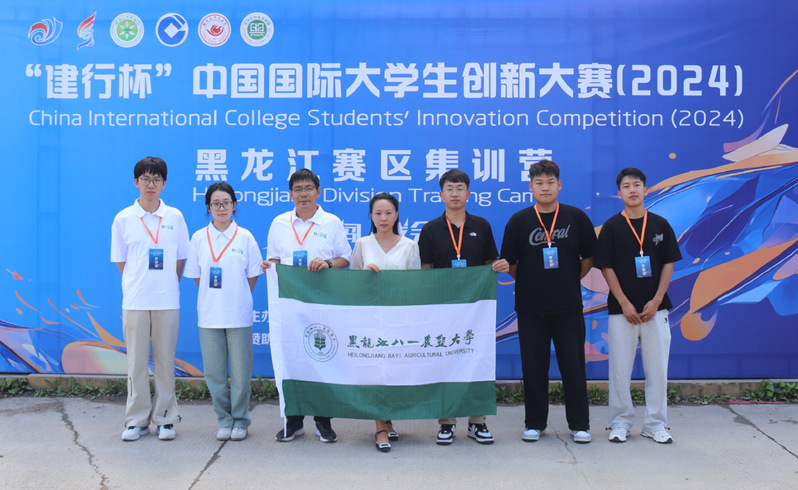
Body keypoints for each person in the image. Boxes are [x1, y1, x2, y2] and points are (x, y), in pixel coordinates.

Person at [500, 159, 596, 444]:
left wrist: (569, 278)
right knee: (533, 367)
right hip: (530, 308)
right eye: (539, 183)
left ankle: (579, 424)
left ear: (559, 185)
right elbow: (510, 263)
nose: (545, 187)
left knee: (573, 367)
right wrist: (531, 280)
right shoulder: (519, 220)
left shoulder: (576, 217)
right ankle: (534, 423)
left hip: (568, 306)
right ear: (530, 186)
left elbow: (589, 257)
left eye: (550, 182)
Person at [417, 169, 509, 446]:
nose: (454, 193)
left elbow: (489, 263)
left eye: (459, 188)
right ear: (441, 194)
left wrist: (498, 265)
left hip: (475, 309)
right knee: (445, 361)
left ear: (468, 194)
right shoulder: (430, 229)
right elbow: (424, 269)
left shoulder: (481, 225)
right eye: (449, 188)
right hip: (443, 309)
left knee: (476, 360)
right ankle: (446, 423)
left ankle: (477, 421)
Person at [262, 168, 352, 443]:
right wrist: (269, 266)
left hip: (321, 305)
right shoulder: (279, 223)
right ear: (290, 194)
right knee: (292, 360)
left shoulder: (331, 222)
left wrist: (327, 263)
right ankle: (293, 420)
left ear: (318, 192)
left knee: (322, 359)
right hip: (289, 307)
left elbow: (346, 258)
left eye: (308, 188)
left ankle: (323, 421)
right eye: (298, 189)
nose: (303, 194)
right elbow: (274, 259)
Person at [594, 167, 682, 444]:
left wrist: (657, 300)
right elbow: (606, 267)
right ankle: (620, 422)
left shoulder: (660, 225)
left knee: (657, 370)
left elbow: (668, 263)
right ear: (619, 193)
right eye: (626, 186)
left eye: (636, 185)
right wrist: (623, 302)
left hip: (656, 310)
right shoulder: (611, 227)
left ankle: (656, 424)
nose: (632, 190)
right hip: (622, 311)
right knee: (620, 371)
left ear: (646, 189)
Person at [110, 156, 189, 441]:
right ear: (136, 182)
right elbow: (121, 261)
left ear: (164, 184)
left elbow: (180, 259)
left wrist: (165, 283)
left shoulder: (175, 217)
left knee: (165, 361)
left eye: (156, 179)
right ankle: (136, 420)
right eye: (145, 179)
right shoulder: (123, 218)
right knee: (136, 362)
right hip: (135, 301)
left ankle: (166, 418)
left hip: (167, 300)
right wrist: (139, 284)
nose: (151, 184)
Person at [184, 183, 262, 442]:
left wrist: (234, 295)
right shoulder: (198, 238)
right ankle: (224, 420)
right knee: (214, 374)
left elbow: (252, 276)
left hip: (239, 315)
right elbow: (197, 276)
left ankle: (240, 420)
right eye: (216, 203)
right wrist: (215, 297)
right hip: (209, 316)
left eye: (226, 202)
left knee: (240, 373)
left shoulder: (245, 237)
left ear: (234, 205)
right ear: (208, 207)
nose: (221, 208)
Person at [349, 192, 421, 453]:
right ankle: (380, 427)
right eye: (378, 213)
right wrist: (365, 277)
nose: (383, 218)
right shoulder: (362, 244)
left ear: (397, 215)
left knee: (394, 371)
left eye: (388, 213)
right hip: (371, 320)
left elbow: (416, 285)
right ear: (371, 216)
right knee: (375, 371)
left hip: (399, 320)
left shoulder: (410, 246)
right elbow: (351, 283)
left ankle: (388, 419)